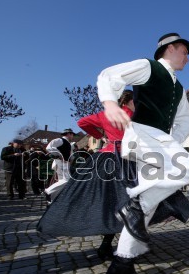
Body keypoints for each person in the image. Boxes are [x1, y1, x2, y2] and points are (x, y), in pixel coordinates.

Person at [97, 32, 189, 274]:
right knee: (187, 167)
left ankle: (123, 263)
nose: (187, 58)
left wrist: (172, 140)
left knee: (147, 206)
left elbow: (185, 120)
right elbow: (110, 75)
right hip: (142, 134)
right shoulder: (148, 67)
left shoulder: (179, 88)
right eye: (185, 51)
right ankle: (130, 203)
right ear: (171, 48)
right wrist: (110, 103)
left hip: (160, 139)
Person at [38, 90, 137, 261]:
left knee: (111, 202)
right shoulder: (133, 115)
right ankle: (120, 246)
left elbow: (82, 122)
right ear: (128, 101)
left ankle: (109, 244)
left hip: (105, 159)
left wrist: (101, 135)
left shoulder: (105, 114)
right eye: (136, 101)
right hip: (125, 159)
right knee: (130, 202)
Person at [43, 128, 75, 202]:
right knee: (67, 180)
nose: (72, 136)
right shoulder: (60, 140)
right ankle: (47, 191)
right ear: (68, 134)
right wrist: (59, 155)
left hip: (64, 163)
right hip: (61, 163)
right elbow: (49, 147)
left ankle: (52, 199)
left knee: (61, 181)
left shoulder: (67, 143)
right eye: (72, 134)